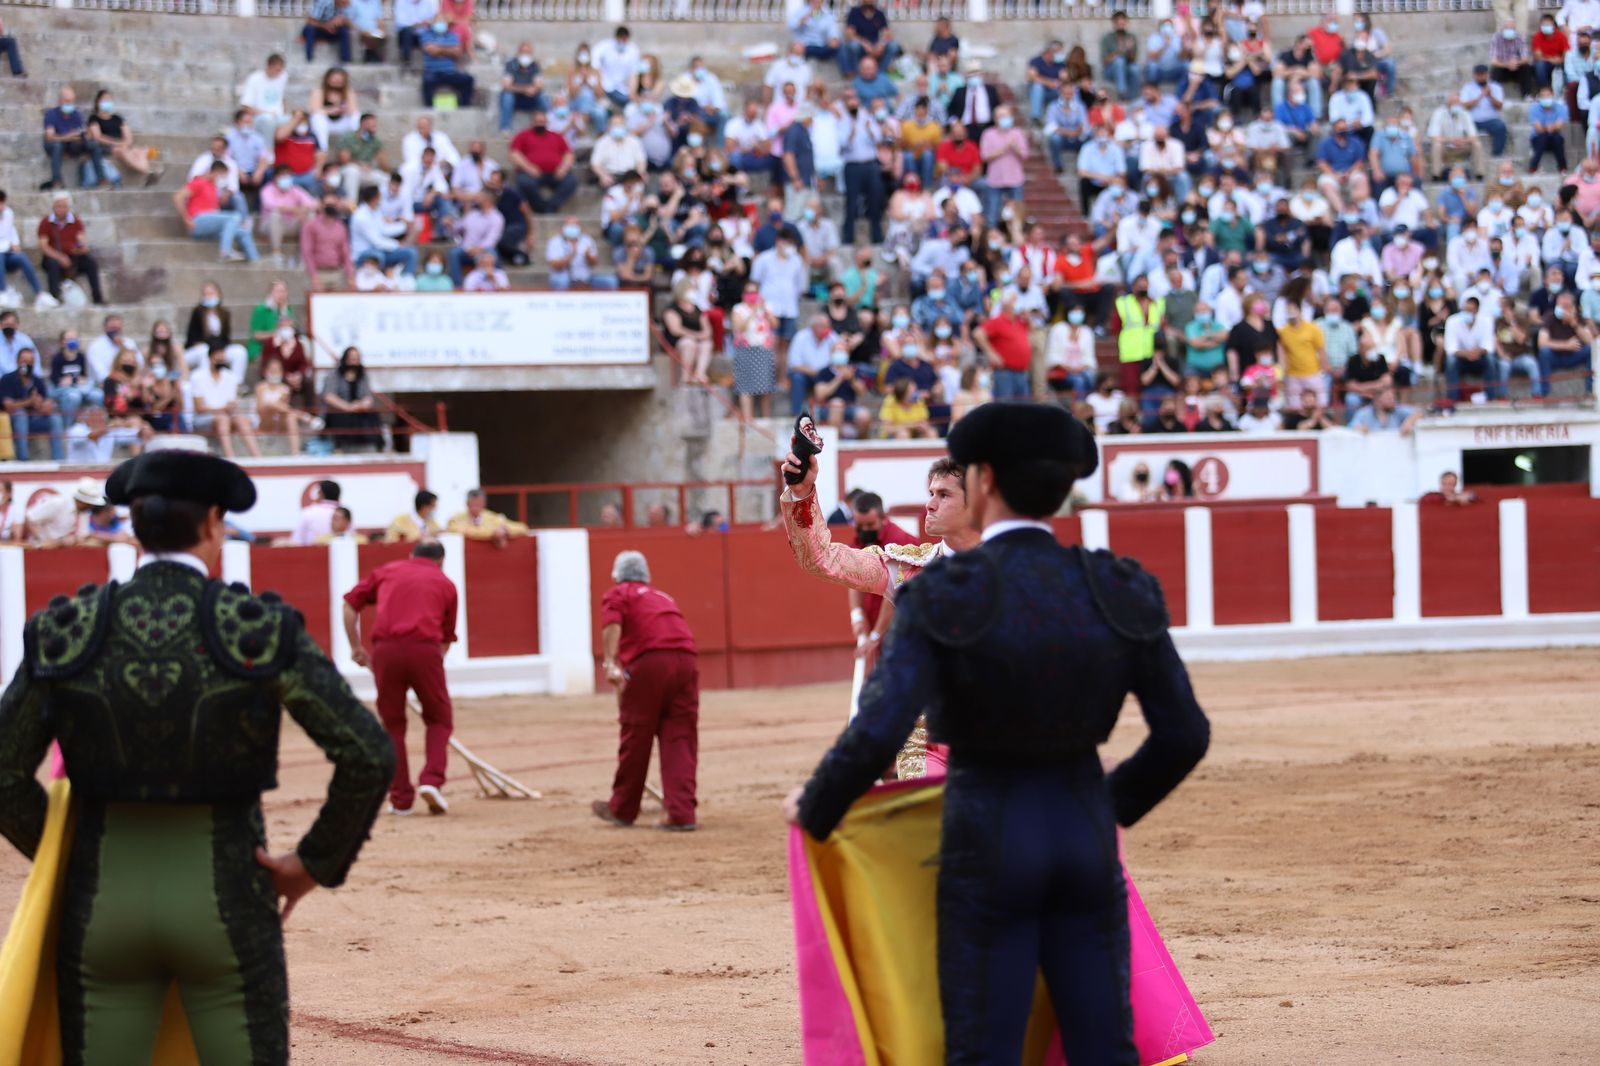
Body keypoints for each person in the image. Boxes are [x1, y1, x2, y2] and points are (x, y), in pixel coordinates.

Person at [783, 403, 1210, 1064]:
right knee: (1101, 1042)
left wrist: (815, 807)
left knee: (985, 1042)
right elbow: (1184, 735)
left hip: (984, 831)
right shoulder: (1117, 586)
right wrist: (1104, 806)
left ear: (982, 484)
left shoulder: (941, 594)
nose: (931, 502)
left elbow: (881, 726)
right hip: (1081, 833)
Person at [0, 448, 393, 1064]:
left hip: (103, 903)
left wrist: (69, 855)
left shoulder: (67, 629)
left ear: (133, 525)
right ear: (214, 521)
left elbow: (1, 773)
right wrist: (310, 863)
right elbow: (368, 754)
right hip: (228, 896)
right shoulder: (254, 627)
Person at [343, 539, 457, 815]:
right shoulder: (445, 584)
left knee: (393, 725)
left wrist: (356, 647)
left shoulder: (388, 571)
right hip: (425, 649)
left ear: (411, 555)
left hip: (385, 651)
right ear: (441, 561)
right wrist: (428, 666)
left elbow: (349, 605)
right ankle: (431, 781)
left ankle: (401, 800)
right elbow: (445, 640)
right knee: (439, 718)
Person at [593, 550, 700, 831]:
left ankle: (623, 809)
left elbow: (612, 623)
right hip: (687, 662)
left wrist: (610, 662)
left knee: (636, 734)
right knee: (680, 737)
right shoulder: (663, 596)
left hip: (649, 663)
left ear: (617, 575)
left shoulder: (620, 592)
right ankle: (681, 812)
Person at [37, 194, 105, 306]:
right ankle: (55, 297)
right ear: (54, 207)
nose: (61, 209)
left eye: (64, 206)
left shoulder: (75, 221)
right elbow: (43, 246)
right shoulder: (46, 222)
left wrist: (81, 248)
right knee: (52, 264)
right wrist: (60, 257)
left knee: (91, 263)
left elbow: (83, 241)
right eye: (58, 206)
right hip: (54, 256)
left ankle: (97, 297)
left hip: (73, 256)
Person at [1, 345, 63, 460]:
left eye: (30, 361)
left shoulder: (37, 381)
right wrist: (29, 401)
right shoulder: (7, 379)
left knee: (55, 418)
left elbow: (47, 405)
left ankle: (59, 460)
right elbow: (7, 405)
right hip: (13, 422)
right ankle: (23, 460)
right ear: (17, 361)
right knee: (21, 415)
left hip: (34, 420)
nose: (27, 364)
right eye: (24, 361)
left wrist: (40, 405)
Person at [321, 346, 381, 451]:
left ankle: (378, 447)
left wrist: (360, 405)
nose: (353, 362)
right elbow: (329, 396)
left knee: (373, 416)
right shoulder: (334, 374)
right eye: (351, 358)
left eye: (356, 358)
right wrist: (347, 406)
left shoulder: (362, 375)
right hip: (340, 409)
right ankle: (338, 447)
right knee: (339, 418)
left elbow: (368, 397)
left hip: (358, 409)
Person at [418, 15, 475, 108]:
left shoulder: (452, 35)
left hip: (449, 73)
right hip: (433, 73)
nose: (440, 24)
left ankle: (464, 107)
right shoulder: (426, 34)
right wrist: (449, 50)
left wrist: (439, 49)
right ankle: (429, 109)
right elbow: (432, 50)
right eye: (438, 21)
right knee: (427, 82)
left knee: (468, 79)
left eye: (442, 21)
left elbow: (457, 52)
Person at [448, 487, 528, 546]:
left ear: (484, 504)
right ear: (467, 504)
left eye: (478, 504)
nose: (475, 508)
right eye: (472, 504)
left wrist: (505, 530)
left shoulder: (493, 518)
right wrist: (491, 534)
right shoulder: (457, 519)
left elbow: (523, 527)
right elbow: (453, 528)